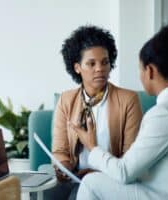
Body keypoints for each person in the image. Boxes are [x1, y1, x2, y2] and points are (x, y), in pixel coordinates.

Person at [75, 24, 168, 199]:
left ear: (150, 71)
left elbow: (124, 172)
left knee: (91, 183)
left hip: (165, 195)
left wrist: (92, 146)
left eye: (140, 69)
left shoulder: (164, 114)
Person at [47, 25, 143, 200]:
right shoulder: (66, 100)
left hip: (112, 179)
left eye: (105, 62)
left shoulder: (128, 100)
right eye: (91, 63)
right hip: (76, 177)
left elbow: (131, 158)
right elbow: (60, 150)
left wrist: (95, 172)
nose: (100, 68)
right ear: (77, 67)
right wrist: (64, 167)